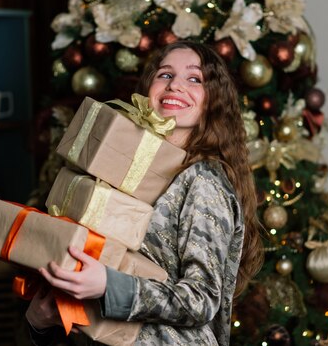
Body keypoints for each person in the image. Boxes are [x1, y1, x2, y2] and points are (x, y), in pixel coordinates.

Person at [26, 41, 263, 345]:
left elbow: (201, 298)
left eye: (194, 79)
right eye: (165, 75)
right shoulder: (123, 170)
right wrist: (40, 324)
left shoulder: (203, 181)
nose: (175, 85)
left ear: (213, 100)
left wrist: (109, 286)